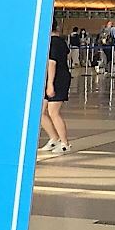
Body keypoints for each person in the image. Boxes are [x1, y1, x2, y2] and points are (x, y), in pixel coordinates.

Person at [41, 21, 71, 155]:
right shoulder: (60, 41)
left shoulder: (53, 43)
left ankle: (65, 143)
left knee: (53, 111)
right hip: (52, 78)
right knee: (40, 111)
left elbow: (52, 63)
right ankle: (54, 138)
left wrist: (50, 84)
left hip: (57, 79)